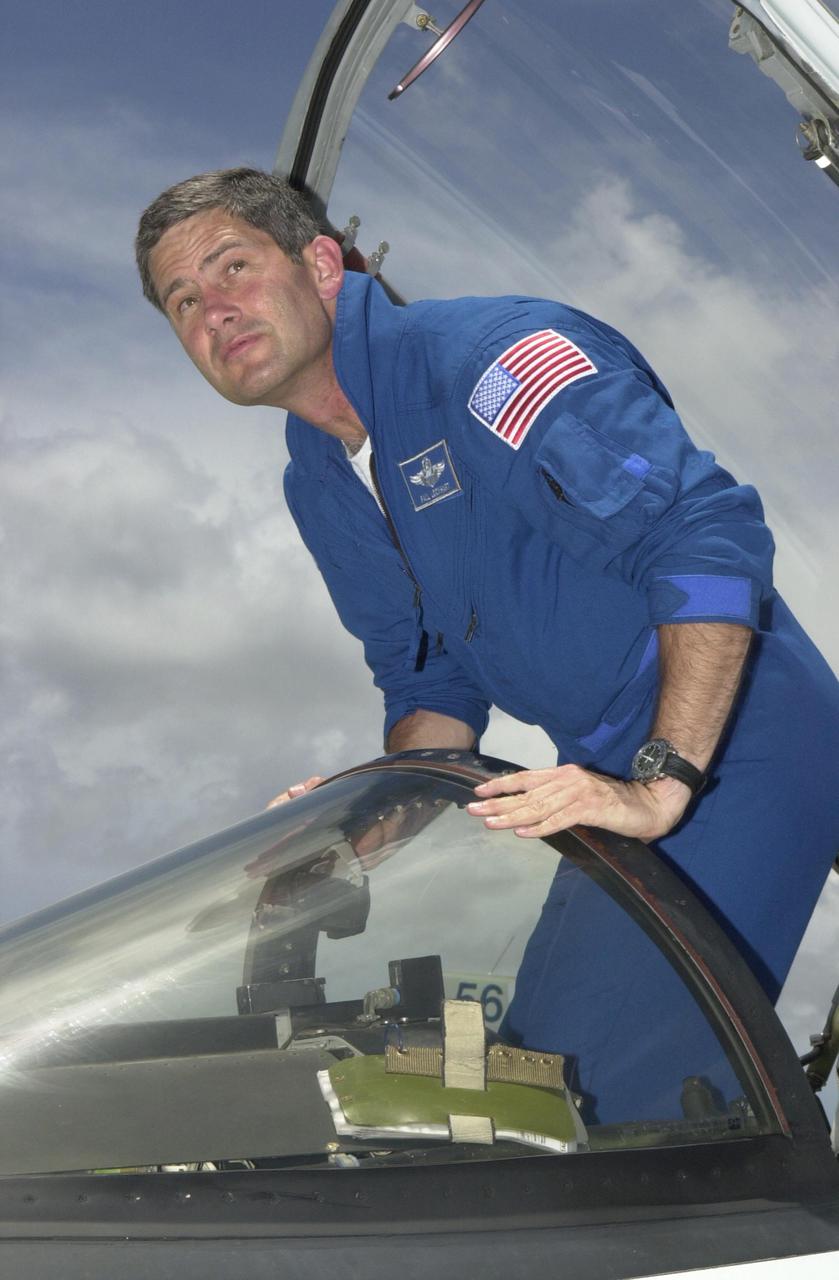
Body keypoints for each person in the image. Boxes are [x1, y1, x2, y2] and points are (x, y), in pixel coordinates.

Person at [135, 169, 839, 1075]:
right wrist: (355, 826)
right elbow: (432, 687)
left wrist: (661, 781)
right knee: (536, 1078)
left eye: (233, 267)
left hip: (737, 734)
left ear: (322, 265)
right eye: (183, 300)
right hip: (596, 778)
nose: (214, 311)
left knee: (607, 1095)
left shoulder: (488, 362)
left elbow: (701, 535)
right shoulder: (316, 479)